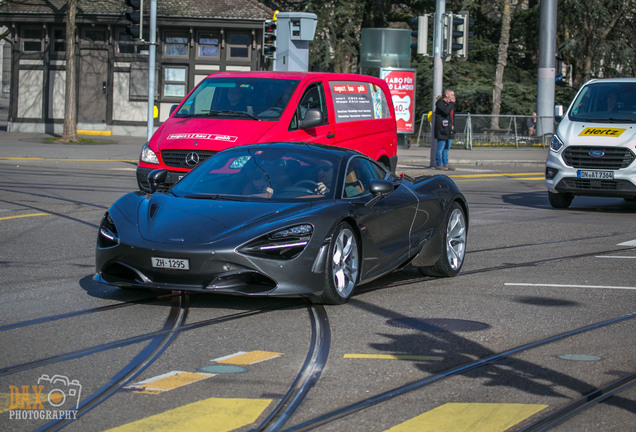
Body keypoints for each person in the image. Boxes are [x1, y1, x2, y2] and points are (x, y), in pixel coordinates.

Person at [434, 89, 456, 171]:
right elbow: (446, 111)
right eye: (452, 94)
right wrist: (451, 103)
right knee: (440, 147)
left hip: (448, 129)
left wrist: (453, 126)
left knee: (447, 147)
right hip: (441, 129)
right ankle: (439, 164)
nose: (453, 96)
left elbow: (452, 116)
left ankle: (446, 163)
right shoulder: (440, 103)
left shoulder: (450, 104)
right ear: (447, 95)